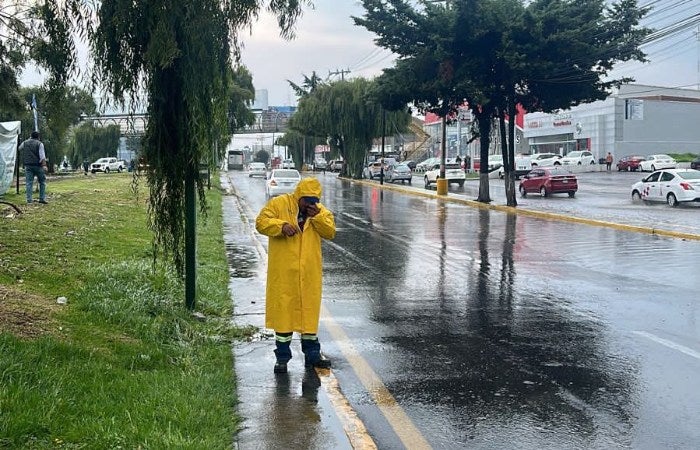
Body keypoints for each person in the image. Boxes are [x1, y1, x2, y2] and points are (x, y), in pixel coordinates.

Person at [255, 178, 336, 374]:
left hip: (308, 274)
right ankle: (282, 359)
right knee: (284, 317)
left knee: (308, 317)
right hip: (284, 273)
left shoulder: (320, 212)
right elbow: (261, 223)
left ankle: (312, 356)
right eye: (306, 200)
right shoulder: (279, 204)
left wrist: (317, 217)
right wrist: (281, 226)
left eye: (314, 200)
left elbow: (330, 232)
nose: (310, 204)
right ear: (298, 196)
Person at [18, 131, 47, 204]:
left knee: (29, 183)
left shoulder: (25, 143)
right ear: (38, 137)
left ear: (30, 136)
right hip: (38, 166)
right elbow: (42, 156)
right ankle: (42, 198)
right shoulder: (40, 144)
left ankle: (29, 200)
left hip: (28, 165)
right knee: (42, 182)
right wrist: (44, 165)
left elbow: (19, 148)